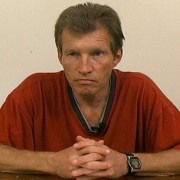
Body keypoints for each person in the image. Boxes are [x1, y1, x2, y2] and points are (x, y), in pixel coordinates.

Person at [0, 2, 180, 179]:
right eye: (73, 54)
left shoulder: (140, 89)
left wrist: (126, 162)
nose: (85, 68)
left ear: (117, 56)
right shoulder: (33, 91)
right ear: (60, 56)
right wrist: (52, 162)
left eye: (97, 54)